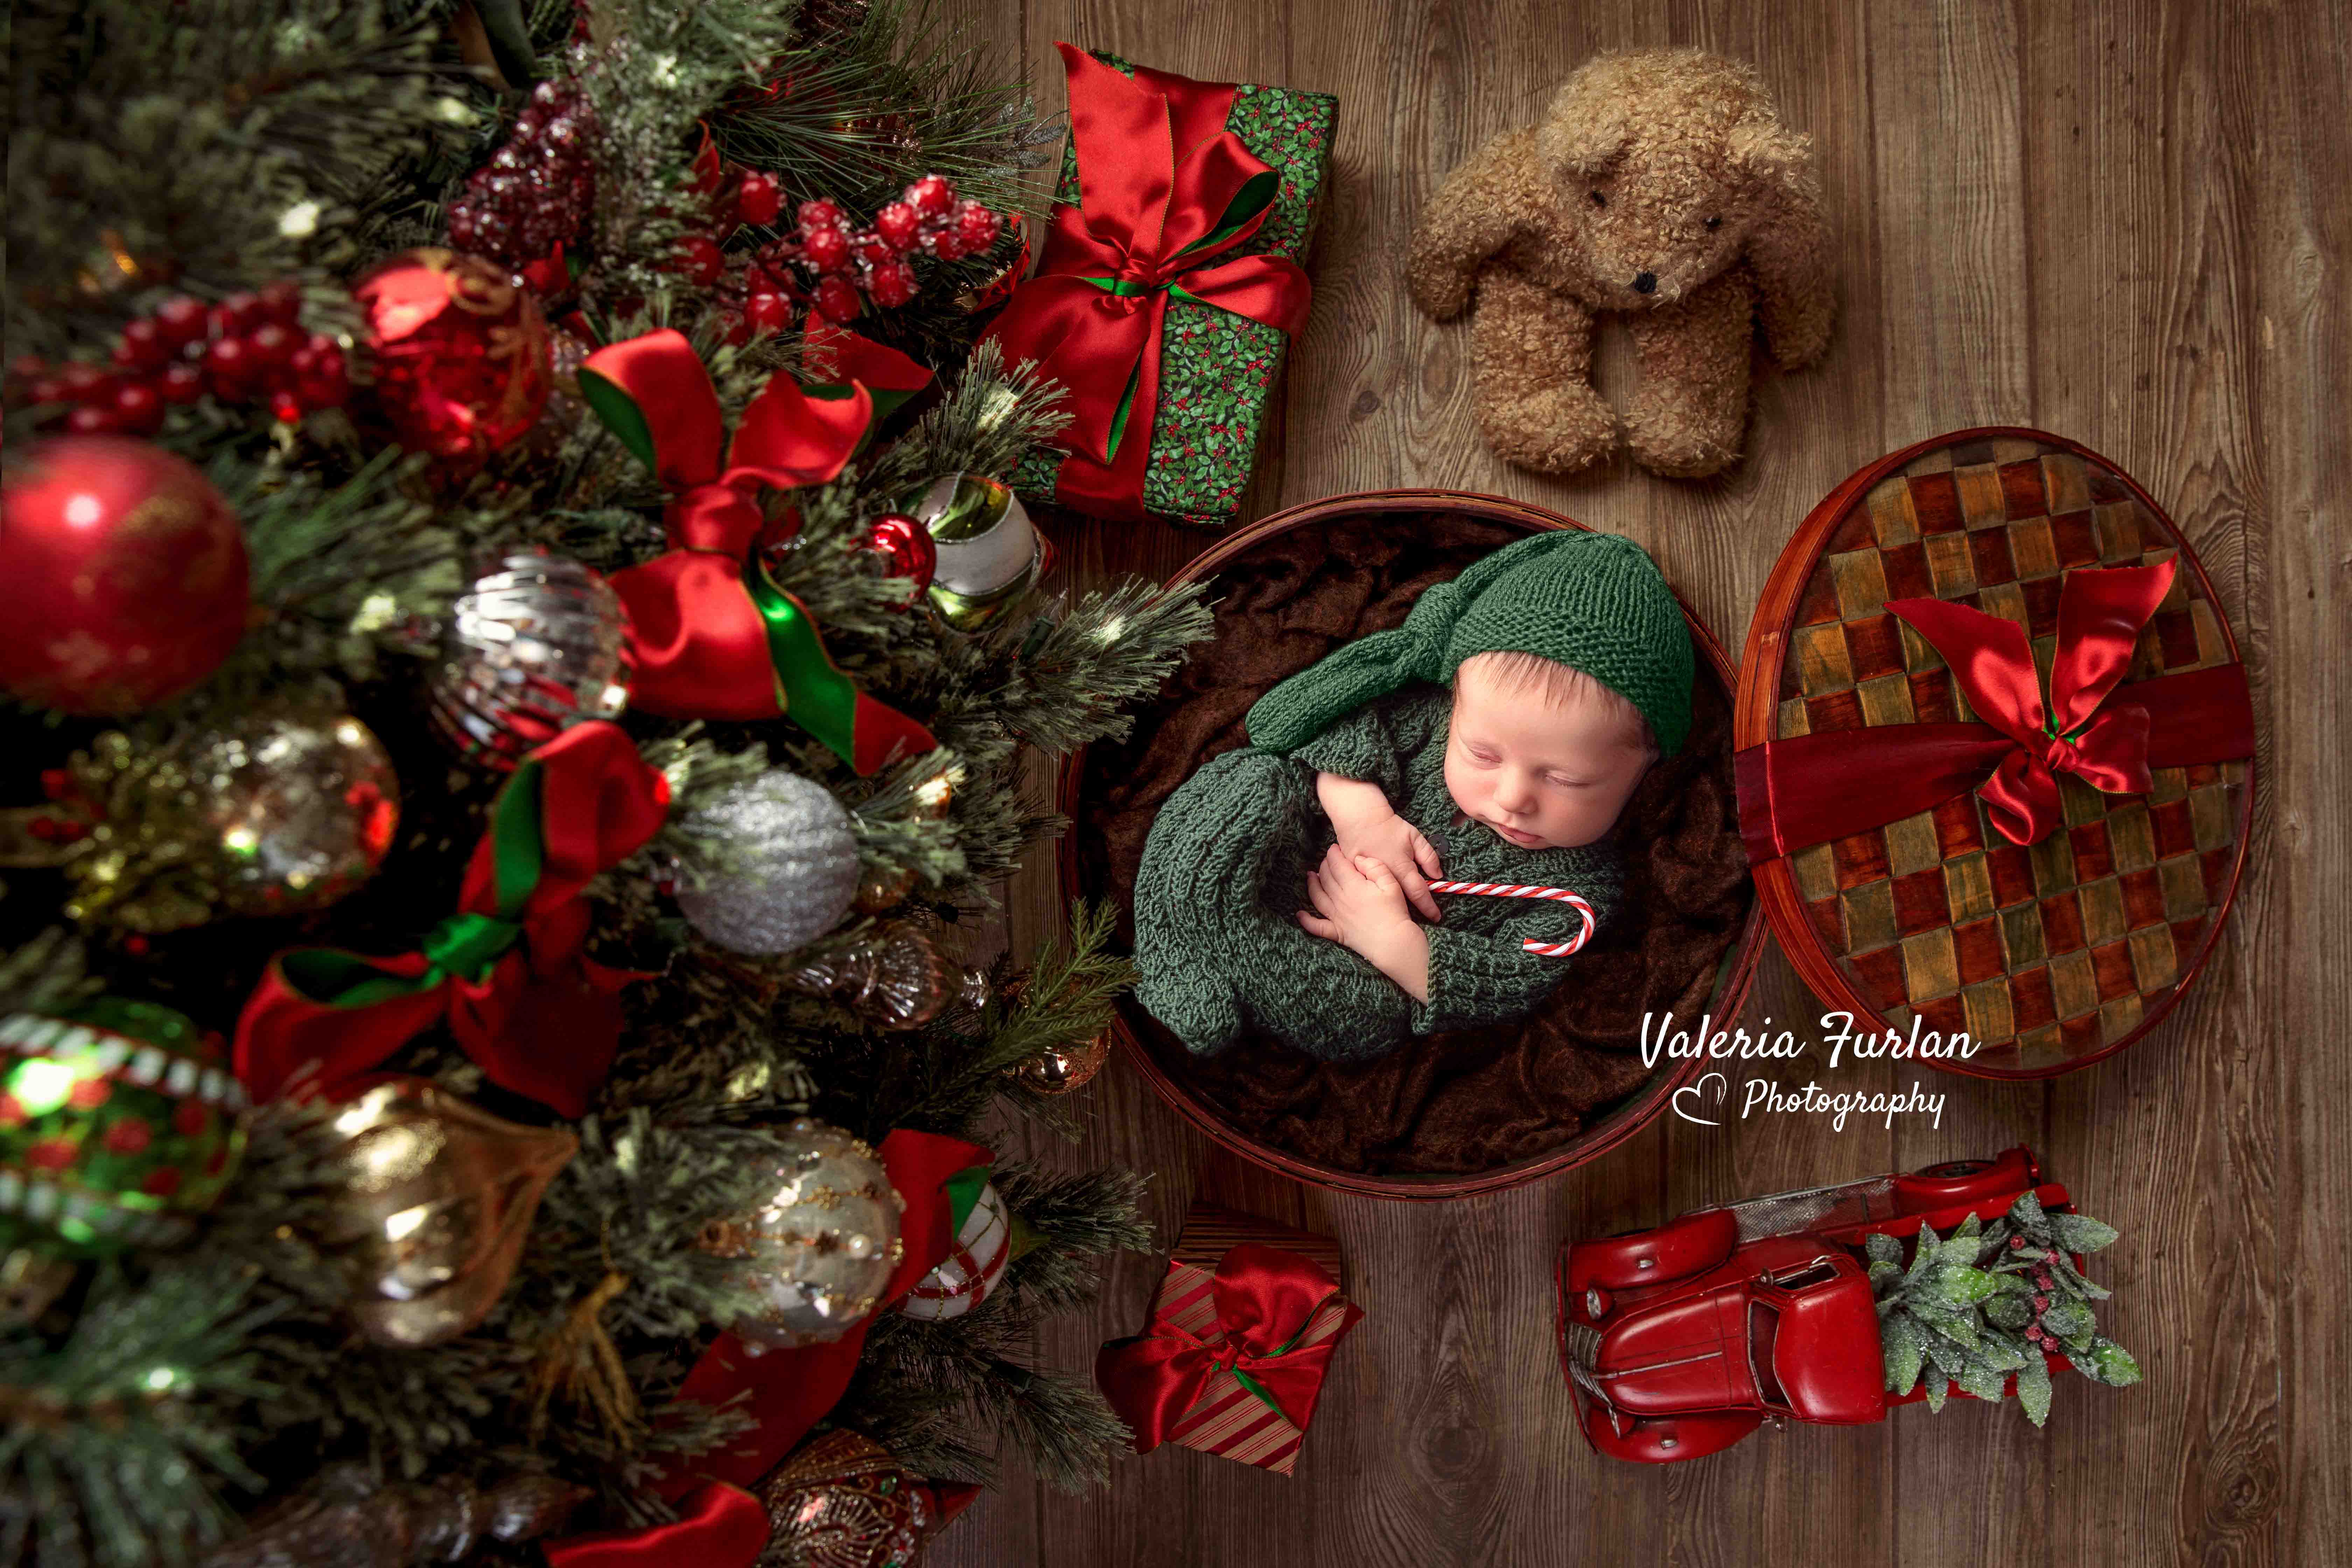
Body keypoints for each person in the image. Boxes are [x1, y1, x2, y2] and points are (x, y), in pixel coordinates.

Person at [1132, 529, 1694, 1063]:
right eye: (1483, 755)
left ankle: (1209, 932)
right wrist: (1361, 812)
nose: (1513, 796)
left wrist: (1388, 938)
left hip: (1349, 968)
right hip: (1282, 857)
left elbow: (1510, 981)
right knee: (1250, 779)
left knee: (1371, 1018)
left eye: (1566, 780)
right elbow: (1333, 727)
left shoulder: (1579, 892)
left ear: (1645, 767)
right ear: (1456, 704)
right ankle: (1189, 917)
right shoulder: (1430, 720)